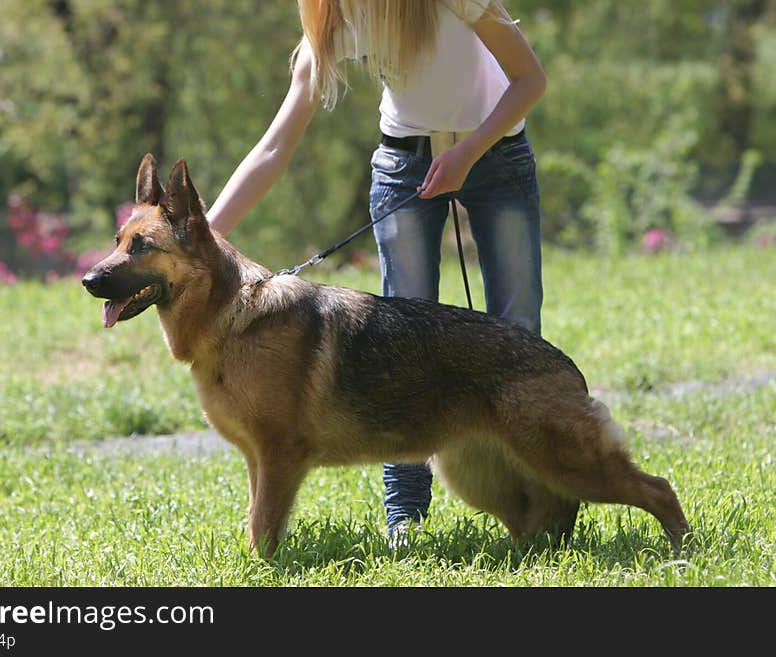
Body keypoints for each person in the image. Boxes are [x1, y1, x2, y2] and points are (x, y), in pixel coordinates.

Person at [206, 0, 547, 539]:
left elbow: (530, 79)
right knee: (401, 345)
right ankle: (404, 514)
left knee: (518, 325)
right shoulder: (333, 20)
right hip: (404, 164)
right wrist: (202, 237)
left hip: (497, 154)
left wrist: (469, 153)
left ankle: (538, 501)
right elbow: (274, 148)